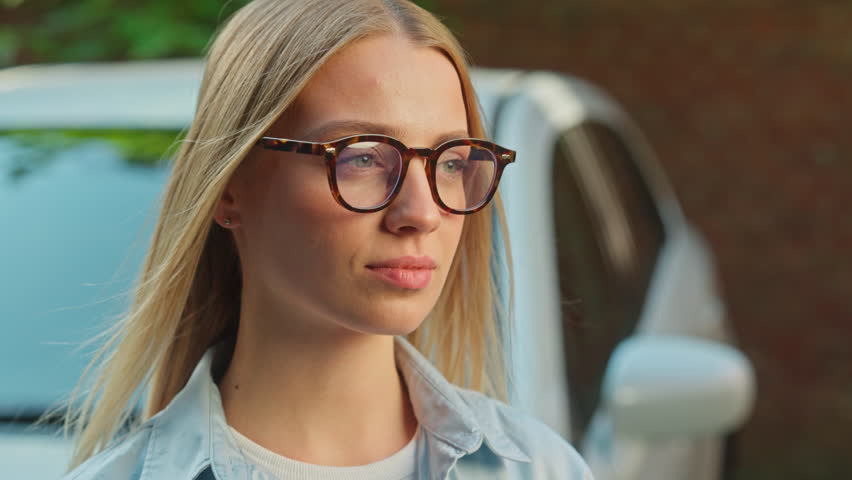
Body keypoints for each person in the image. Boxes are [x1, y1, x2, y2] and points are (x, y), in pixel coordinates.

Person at [60, 0, 593, 478]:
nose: (422, 213)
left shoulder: (543, 470)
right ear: (228, 188)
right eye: (362, 157)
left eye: (451, 162)